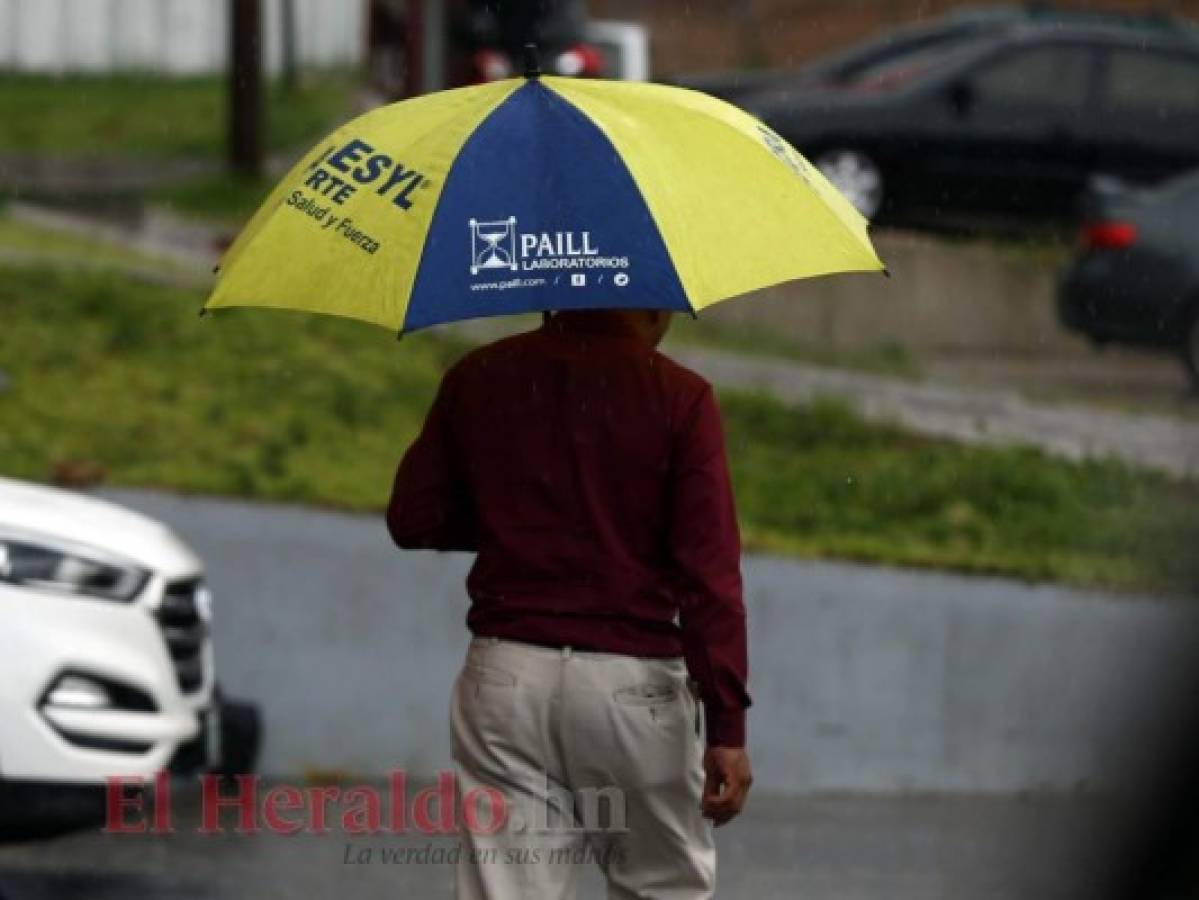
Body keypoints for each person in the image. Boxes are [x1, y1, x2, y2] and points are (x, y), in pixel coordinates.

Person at [386, 308, 752, 899]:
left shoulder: (479, 375)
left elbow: (413, 517)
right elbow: (710, 580)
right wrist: (727, 728)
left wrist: (522, 525)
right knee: (660, 888)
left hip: (506, 681)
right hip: (633, 692)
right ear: (650, 301)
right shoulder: (680, 397)